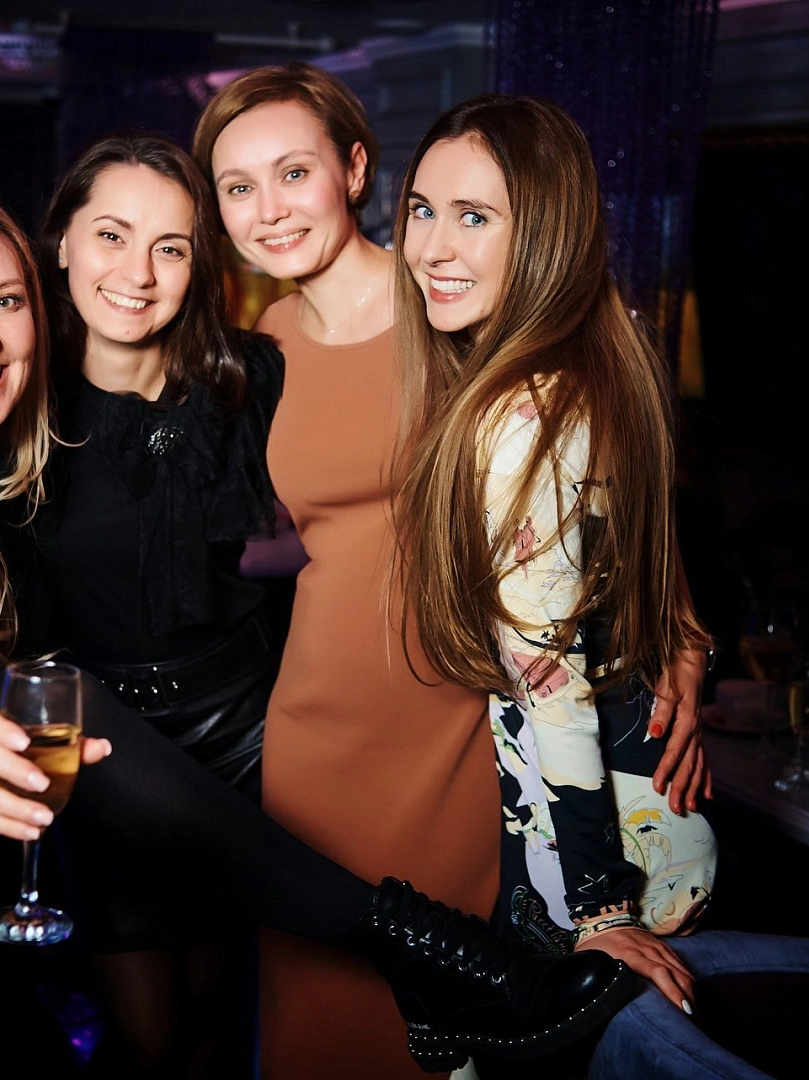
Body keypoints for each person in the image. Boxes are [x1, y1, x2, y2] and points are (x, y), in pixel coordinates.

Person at [0, 188, 637, 1080]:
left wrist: (648, 623)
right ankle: (436, 953)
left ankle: (434, 957)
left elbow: (201, 550)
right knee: (53, 709)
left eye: (4, 301)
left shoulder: (5, 461)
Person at [192, 64, 712, 1078]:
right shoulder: (269, 341)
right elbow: (318, 532)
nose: (269, 210)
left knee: (441, 1030)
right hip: (313, 726)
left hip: (455, 726)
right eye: (238, 186)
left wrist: (679, 631)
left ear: (353, 170)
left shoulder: (456, 301)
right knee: (315, 1026)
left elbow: (593, 498)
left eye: (292, 172)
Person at [25, 133, 283, 1076]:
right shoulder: (12, 400)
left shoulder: (250, 381)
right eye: (111, 235)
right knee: (149, 1037)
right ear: (61, 241)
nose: (137, 273)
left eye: (168, 247)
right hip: (105, 747)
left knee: (216, 1013)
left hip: (242, 731)